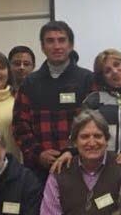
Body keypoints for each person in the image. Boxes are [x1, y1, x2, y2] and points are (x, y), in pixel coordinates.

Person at [12, 21, 95, 179]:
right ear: (42, 47)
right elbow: (19, 126)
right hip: (40, 170)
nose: (57, 46)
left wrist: (73, 151)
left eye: (62, 40)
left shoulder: (87, 80)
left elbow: (95, 125)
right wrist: (38, 153)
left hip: (81, 166)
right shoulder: (30, 83)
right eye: (50, 41)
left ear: (71, 45)